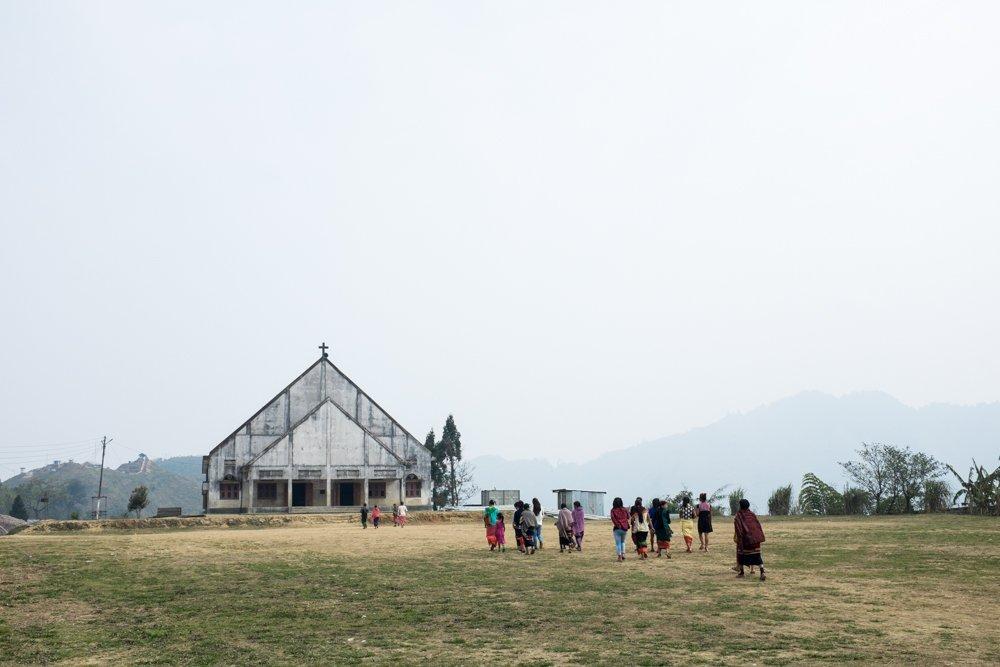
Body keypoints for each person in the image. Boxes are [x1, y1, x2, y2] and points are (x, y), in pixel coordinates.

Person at [733, 499, 766, 581]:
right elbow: (757, 526)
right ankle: (762, 572)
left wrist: (739, 541)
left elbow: (738, 530)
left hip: (746, 541)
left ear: (740, 506)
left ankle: (742, 573)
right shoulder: (752, 514)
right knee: (757, 557)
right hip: (755, 540)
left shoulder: (738, 516)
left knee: (741, 555)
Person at [610, 497, 630, 561]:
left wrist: (618, 525)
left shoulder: (613, 510)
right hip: (624, 528)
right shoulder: (625, 509)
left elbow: (613, 518)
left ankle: (619, 557)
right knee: (623, 542)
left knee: (618, 543)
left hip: (617, 528)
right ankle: (623, 555)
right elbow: (628, 517)